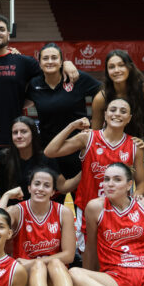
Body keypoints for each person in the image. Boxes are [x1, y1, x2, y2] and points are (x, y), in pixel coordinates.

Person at [0, 15, 79, 196]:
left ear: (9, 34)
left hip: (16, 145)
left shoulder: (24, 63)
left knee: (16, 200)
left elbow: (51, 69)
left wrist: (67, 63)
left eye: (1, 29)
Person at [45, 98, 144, 253]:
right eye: (113, 110)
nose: (117, 114)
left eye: (123, 111)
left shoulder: (134, 145)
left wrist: (137, 196)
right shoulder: (88, 137)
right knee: (89, 255)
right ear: (105, 114)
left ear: (129, 118)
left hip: (118, 211)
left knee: (115, 256)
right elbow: (50, 152)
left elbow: (142, 184)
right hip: (87, 208)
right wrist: (72, 126)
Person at [2, 167, 87, 286]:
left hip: (56, 282)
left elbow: (69, 255)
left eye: (46, 185)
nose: (40, 189)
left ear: (53, 191)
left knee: (54, 262)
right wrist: (5, 196)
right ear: (29, 188)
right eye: (37, 184)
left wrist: (34, 261)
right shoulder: (17, 211)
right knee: (40, 266)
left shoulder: (63, 212)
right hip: (26, 284)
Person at [91, 50, 144, 204]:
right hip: (116, 153)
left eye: (121, 65)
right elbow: (95, 134)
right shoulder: (101, 97)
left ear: (130, 67)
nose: (117, 70)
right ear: (107, 71)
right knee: (120, 201)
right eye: (112, 67)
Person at [25, 43, 101, 192]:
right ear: (39, 63)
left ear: (61, 62)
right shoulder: (34, 85)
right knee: (52, 202)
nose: (50, 61)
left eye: (54, 58)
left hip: (77, 149)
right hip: (50, 151)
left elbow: (106, 93)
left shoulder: (76, 78)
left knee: (82, 198)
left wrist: (96, 123)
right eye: (45, 58)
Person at [0, 117, 78, 206]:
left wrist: (84, 171)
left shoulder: (45, 158)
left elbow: (64, 187)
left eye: (24, 131)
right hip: (12, 215)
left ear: (33, 134)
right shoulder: (4, 155)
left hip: (37, 215)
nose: (19, 136)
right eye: (15, 132)